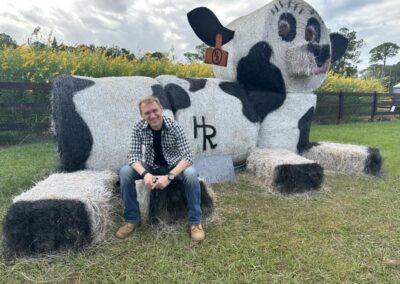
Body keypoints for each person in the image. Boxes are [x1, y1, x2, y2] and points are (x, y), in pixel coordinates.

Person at [116, 95, 204, 241]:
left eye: (155, 110)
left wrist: (169, 176)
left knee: (191, 173)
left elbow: (188, 156)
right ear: (142, 115)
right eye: (147, 113)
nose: (152, 115)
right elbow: (133, 157)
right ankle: (132, 219)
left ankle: (195, 222)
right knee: (125, 172)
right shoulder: (138, 128)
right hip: (151, 166)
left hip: (173, 166)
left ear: (161, 110)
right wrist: (145, 174)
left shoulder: (174, 126)